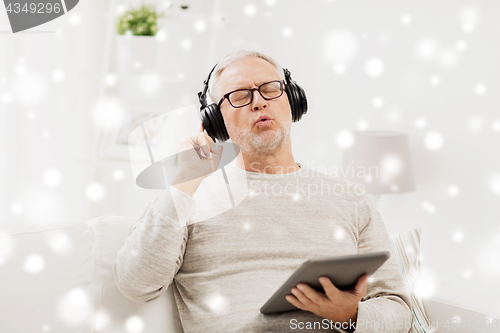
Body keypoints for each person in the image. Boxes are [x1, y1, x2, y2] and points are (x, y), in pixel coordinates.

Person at [113, 49, 413, 333]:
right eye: (240, 96)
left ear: (292, 100)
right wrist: (182, 185)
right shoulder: (188, 195)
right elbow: (136, 284)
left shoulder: (350, 198)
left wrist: (351, 315)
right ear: (215, 121)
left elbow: (398, 309)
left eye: (270, 89)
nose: (259, 102)